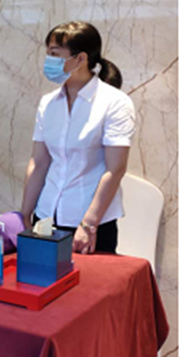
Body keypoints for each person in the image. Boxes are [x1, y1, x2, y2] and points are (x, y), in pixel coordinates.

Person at [21, 21, 134, 255]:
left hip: (90, 223)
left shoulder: (114, 102)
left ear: (81, 58)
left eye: (55, 54)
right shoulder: (48, 103)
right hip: (46, 217)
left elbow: (115, 169)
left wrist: (88, 224)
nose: (48, 61)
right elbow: (40, 162)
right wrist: (24, 214)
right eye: (48, 53)